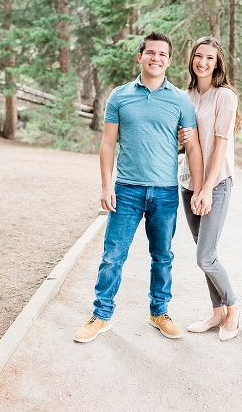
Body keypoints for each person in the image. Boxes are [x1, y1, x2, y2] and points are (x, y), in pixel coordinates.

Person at [74, 31, 204, 343]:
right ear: (140, 57)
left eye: (162, 54)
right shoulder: (119, 96)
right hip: (127, 190)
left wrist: (199, 189)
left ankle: (159, 312)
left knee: (162, 256)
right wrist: (106, 186)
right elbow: (107, 144)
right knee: (112, 255)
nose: (156, 58)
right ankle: (101, 315)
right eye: (150, 53)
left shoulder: (180, 101)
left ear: (169, 61)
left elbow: (195, 148)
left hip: (165, 192)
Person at [177, 36, 242, 341]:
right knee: (205, 252)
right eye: (198, 56)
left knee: (206, 257)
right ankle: (217, 313)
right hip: (188, 183)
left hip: (215, 184)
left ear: (218, 64)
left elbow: (220, 145)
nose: (203, 62)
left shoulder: (225, 97)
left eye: (210, 58)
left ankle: (234, 307)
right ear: (192, 59)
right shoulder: (185, 95)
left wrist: (205, 189)